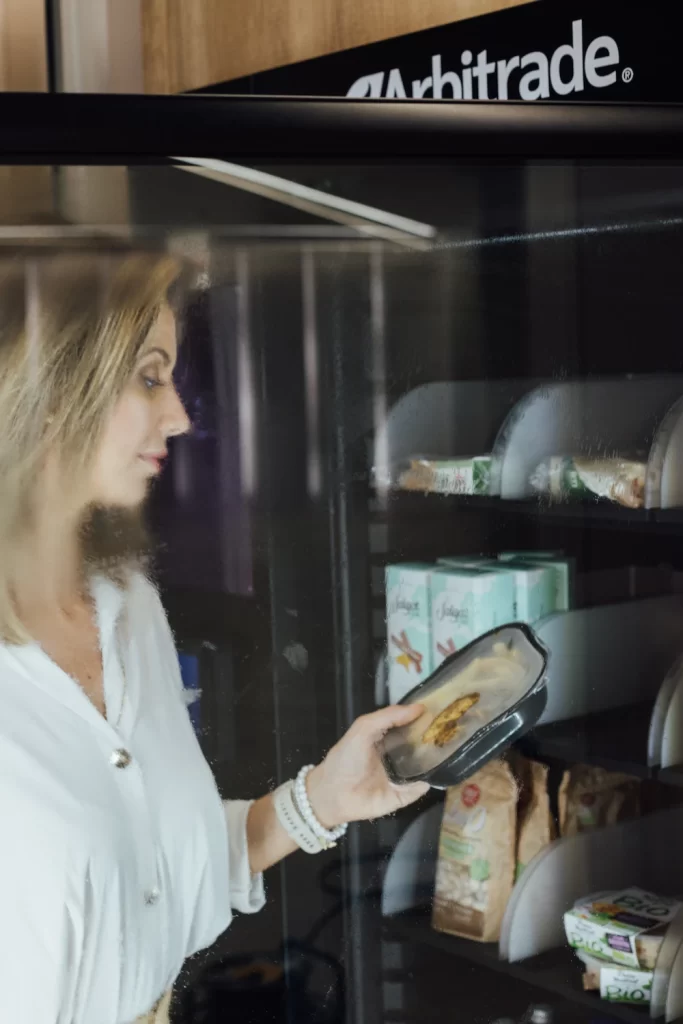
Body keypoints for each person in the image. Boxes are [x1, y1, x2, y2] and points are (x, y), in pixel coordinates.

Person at [0, 250, 429, 1024]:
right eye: (149, 377)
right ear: (52, 388)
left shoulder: (128, 608)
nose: (180, 417)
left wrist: (322, 798)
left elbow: (154, 873)